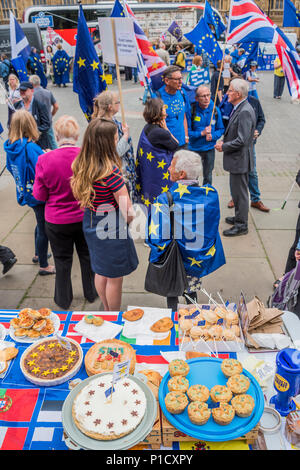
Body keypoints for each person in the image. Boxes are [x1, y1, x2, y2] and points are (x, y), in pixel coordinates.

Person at [70, 118, 139, 312]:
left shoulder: (82, 165)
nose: (118, 142)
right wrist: (130, 220)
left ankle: (107, 310)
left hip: (92, 221)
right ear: (107, 143)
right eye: (116, 138)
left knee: (100, 271)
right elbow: (128, 210)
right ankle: (114, 315)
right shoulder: (111, 172)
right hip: (111, 228)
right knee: (115, 280)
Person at [146, 149, 225, 310]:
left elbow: (157, 237)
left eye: (171, 165)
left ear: (181, 174)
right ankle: (192, 319)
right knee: (192, 292)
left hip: (174, 260)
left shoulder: (164, 200)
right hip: (195, 259)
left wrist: (157, 254)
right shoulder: (211, 196)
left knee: (172, 294)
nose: (168, 168)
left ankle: (174, 319)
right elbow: (211, 228)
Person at [32, 115, 97, 310]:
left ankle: (63, 299)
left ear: (57, 135)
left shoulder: (44, 159)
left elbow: (39, 195)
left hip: (57, 220)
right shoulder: (87, 156)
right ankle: (91, 292)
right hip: (83, 216)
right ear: (77, 136)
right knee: (87, 257)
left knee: (61, 261)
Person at [4, 109, 55, 275]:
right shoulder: (31, 147)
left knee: (39, 222)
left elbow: (13, 169)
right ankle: (43, 265)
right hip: (38, 193)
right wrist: (47, 154)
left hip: (25, 191)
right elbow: (44, 169)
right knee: (43, 228)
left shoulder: (11, 147)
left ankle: (37, 253)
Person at [215, 78, 256, 237]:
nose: (227, 93)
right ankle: (239, 217)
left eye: (230, 90)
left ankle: (241, 225)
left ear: (238, 94)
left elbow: (242, 140)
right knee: (237, 192)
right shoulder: (240, 107)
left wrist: (223, 146)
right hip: (238, 160)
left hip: (240, 160)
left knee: (240, 194)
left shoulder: (244, 110)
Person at [92, 90, 138, 203]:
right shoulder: (105, 126)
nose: (119, 104)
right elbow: (113, 153)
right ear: (110, 107)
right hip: (116, 172)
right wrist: (125, 136)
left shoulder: (111, 121)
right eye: (117, 102)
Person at [227, 91, 269, 213]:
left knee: (252, 172)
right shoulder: (228, 102)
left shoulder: (253, 101)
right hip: (234, 145)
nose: (228, 92)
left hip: (249, 145)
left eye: (231, 89)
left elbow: (261, 119)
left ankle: (255, 199)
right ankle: (235, 198)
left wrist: (257, 130)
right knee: (234, 173)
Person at [136, 97, 179, 207]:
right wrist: (166, 129)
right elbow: (176, 144)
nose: (165, 108)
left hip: (148, 174)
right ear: (158, 111)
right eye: (163, 107)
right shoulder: (160, 132)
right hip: (159, 178)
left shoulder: (148, 127)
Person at [188, 85, 224, 186]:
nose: (207, 98)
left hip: (209, 149)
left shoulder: (215, 110)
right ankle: (194, 195)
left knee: (208, 175)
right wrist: (201, 133)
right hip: (194, 149)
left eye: (208, 95)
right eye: (203, 96)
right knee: (193, 176)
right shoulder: (192, 110)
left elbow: (221, 129)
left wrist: (213, 136)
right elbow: (187, 132)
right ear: (196, 98)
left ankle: (206, 196)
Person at [155, 65, 190, 148]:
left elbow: (184, 116)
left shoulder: (182, 93)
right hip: (166, 145)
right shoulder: (157, 97)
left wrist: (186, 136)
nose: (181, 81)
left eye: (181, 78)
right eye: (177, 79)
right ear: (167, 81)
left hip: (182, 143)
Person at [18, 81, 51, 150]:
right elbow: (10, 124)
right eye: (20, 90)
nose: (22, 92)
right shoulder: (16, 106)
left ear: (32, 91)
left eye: (24, 90)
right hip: (21, 143)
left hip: (38, 142)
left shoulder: (40, 106)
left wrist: (33, 132)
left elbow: (46, 124)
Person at [29, 74, 59, 150]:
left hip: (37, 122)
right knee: (52, 141)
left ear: (31, 84)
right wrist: (51, 115)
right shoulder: (48, 92)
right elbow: (56, 106)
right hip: (48, 120)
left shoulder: (32, 95)